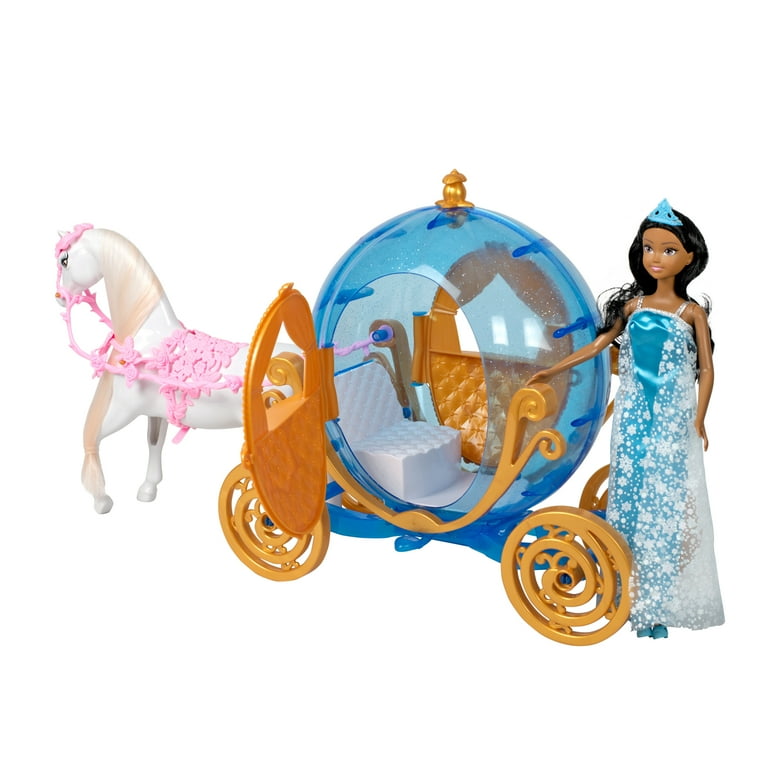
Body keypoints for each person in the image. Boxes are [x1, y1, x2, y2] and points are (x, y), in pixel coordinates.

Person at [527, 200, 724, 638]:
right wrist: (554, 369)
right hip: (632, 421)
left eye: (668, 250)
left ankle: (659, 605)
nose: (656, 258)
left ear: (689, 257)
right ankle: (630, 601)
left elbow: (707, 369)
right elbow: (597, 347)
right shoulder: (633, 307)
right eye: (649, 248)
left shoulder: (690, 314)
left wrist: (700, 419)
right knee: (629, 499)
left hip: (672, 422)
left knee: (667, 509)